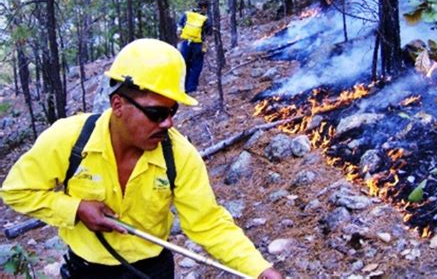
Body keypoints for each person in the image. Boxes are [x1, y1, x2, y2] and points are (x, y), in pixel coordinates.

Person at [0, 39, 282, 279]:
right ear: (118, 105)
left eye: (173, 112)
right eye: (157, 113)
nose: (168, 124)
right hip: (86, 270)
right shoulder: (69, 139)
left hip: (152, 271)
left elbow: (208, 223)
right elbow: (17, 191)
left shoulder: (179, 155)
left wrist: (259, 270)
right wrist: (75, 209)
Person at [178, 0, 211, 93]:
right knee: (196, 66)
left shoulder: (187, 14)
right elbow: (208, 33)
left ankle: (183, 87)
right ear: (204, 7)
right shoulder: (205, 19)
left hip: (185, 43)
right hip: (198, 44)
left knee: (185, 64)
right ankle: (191, 88)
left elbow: (180, 26)